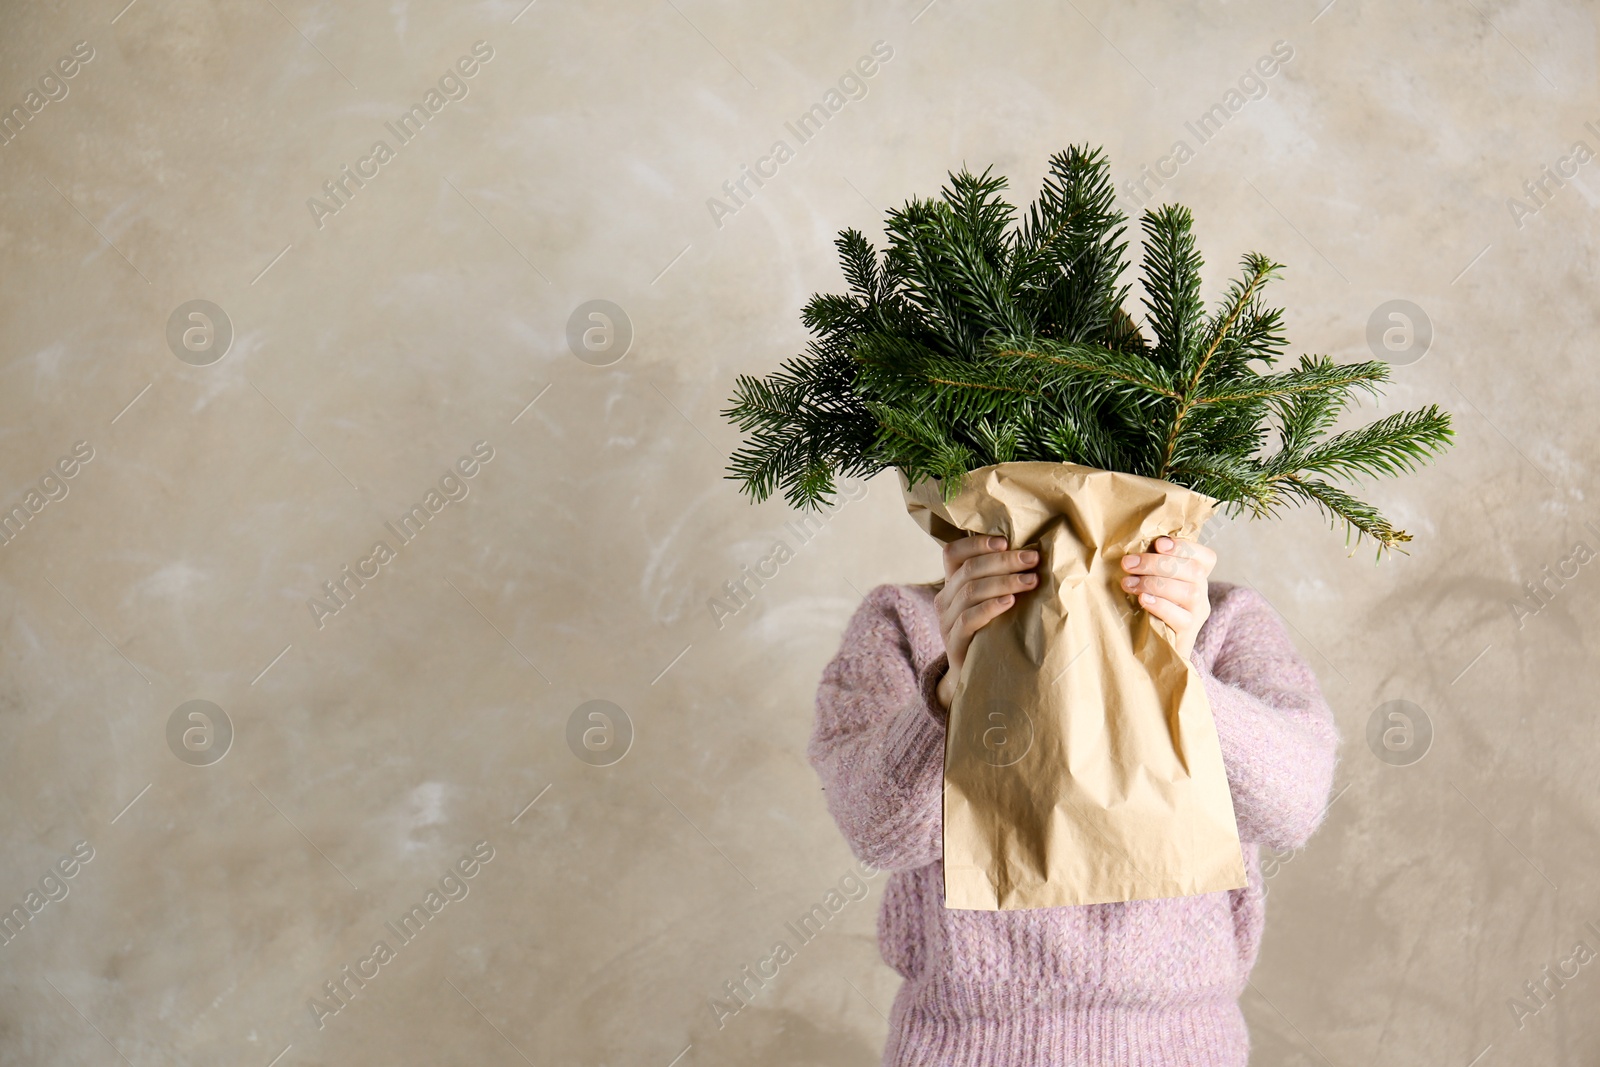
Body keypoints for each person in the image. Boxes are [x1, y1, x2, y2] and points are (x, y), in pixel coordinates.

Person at [808, 532, 1340, 1066]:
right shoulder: (913, 619)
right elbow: (874, 830)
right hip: (960, 1048)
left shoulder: (1217, 617)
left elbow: (1294, 806)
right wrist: (951, 688)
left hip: (1185, 1047)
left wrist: (1180, 677)